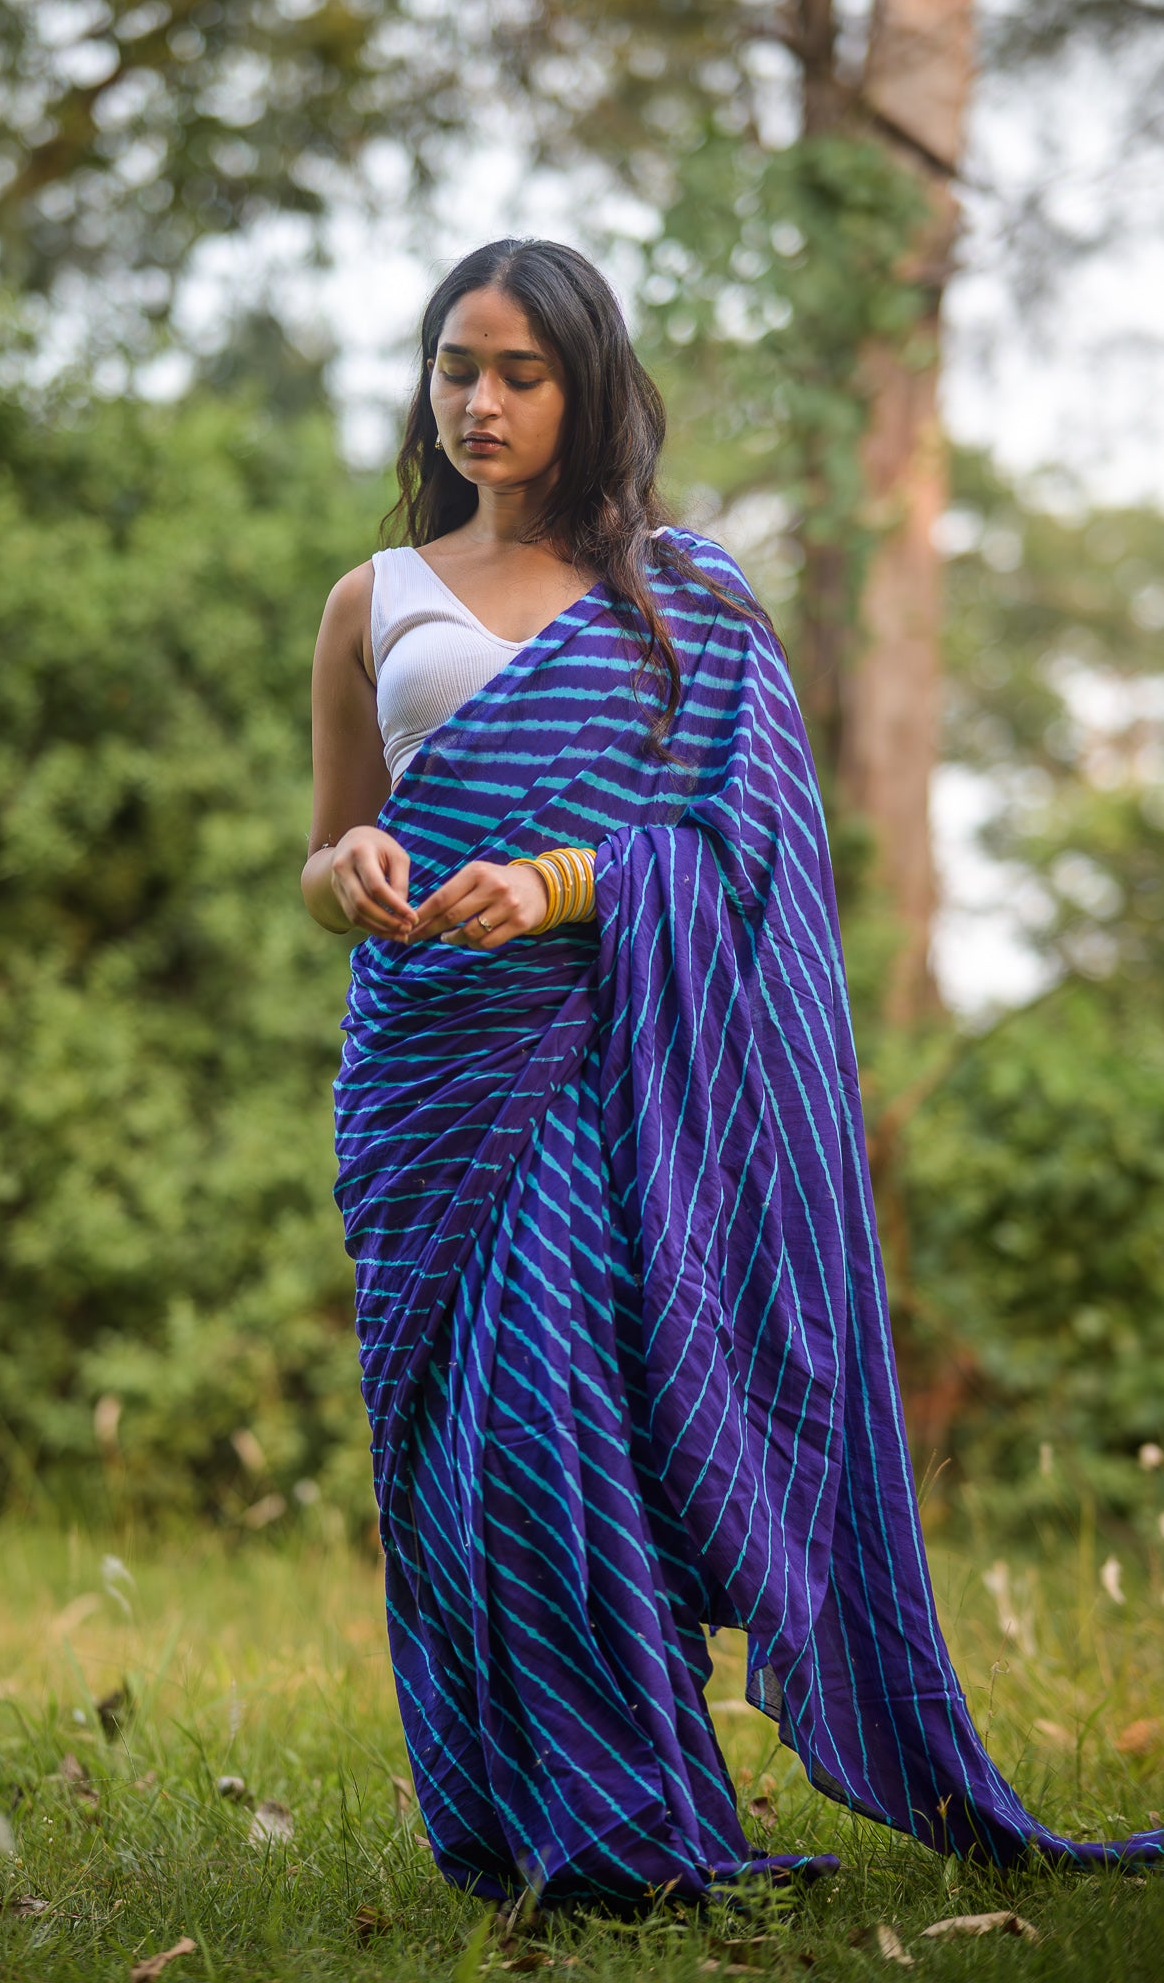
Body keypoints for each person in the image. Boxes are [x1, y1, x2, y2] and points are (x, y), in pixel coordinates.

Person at [301, 237, 1163, 1907]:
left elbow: (751, 846)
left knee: (556, 1431)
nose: (482, 403)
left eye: (522, 374)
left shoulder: (680, 597)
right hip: (428, 1072)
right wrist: (349, 872)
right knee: (461, 1460)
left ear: (588, 388)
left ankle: (633, 1833)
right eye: (457, 368)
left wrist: (561, 882)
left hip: (611, 1070)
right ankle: (529, 1822)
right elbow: (330, 846)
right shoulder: (372, 598)